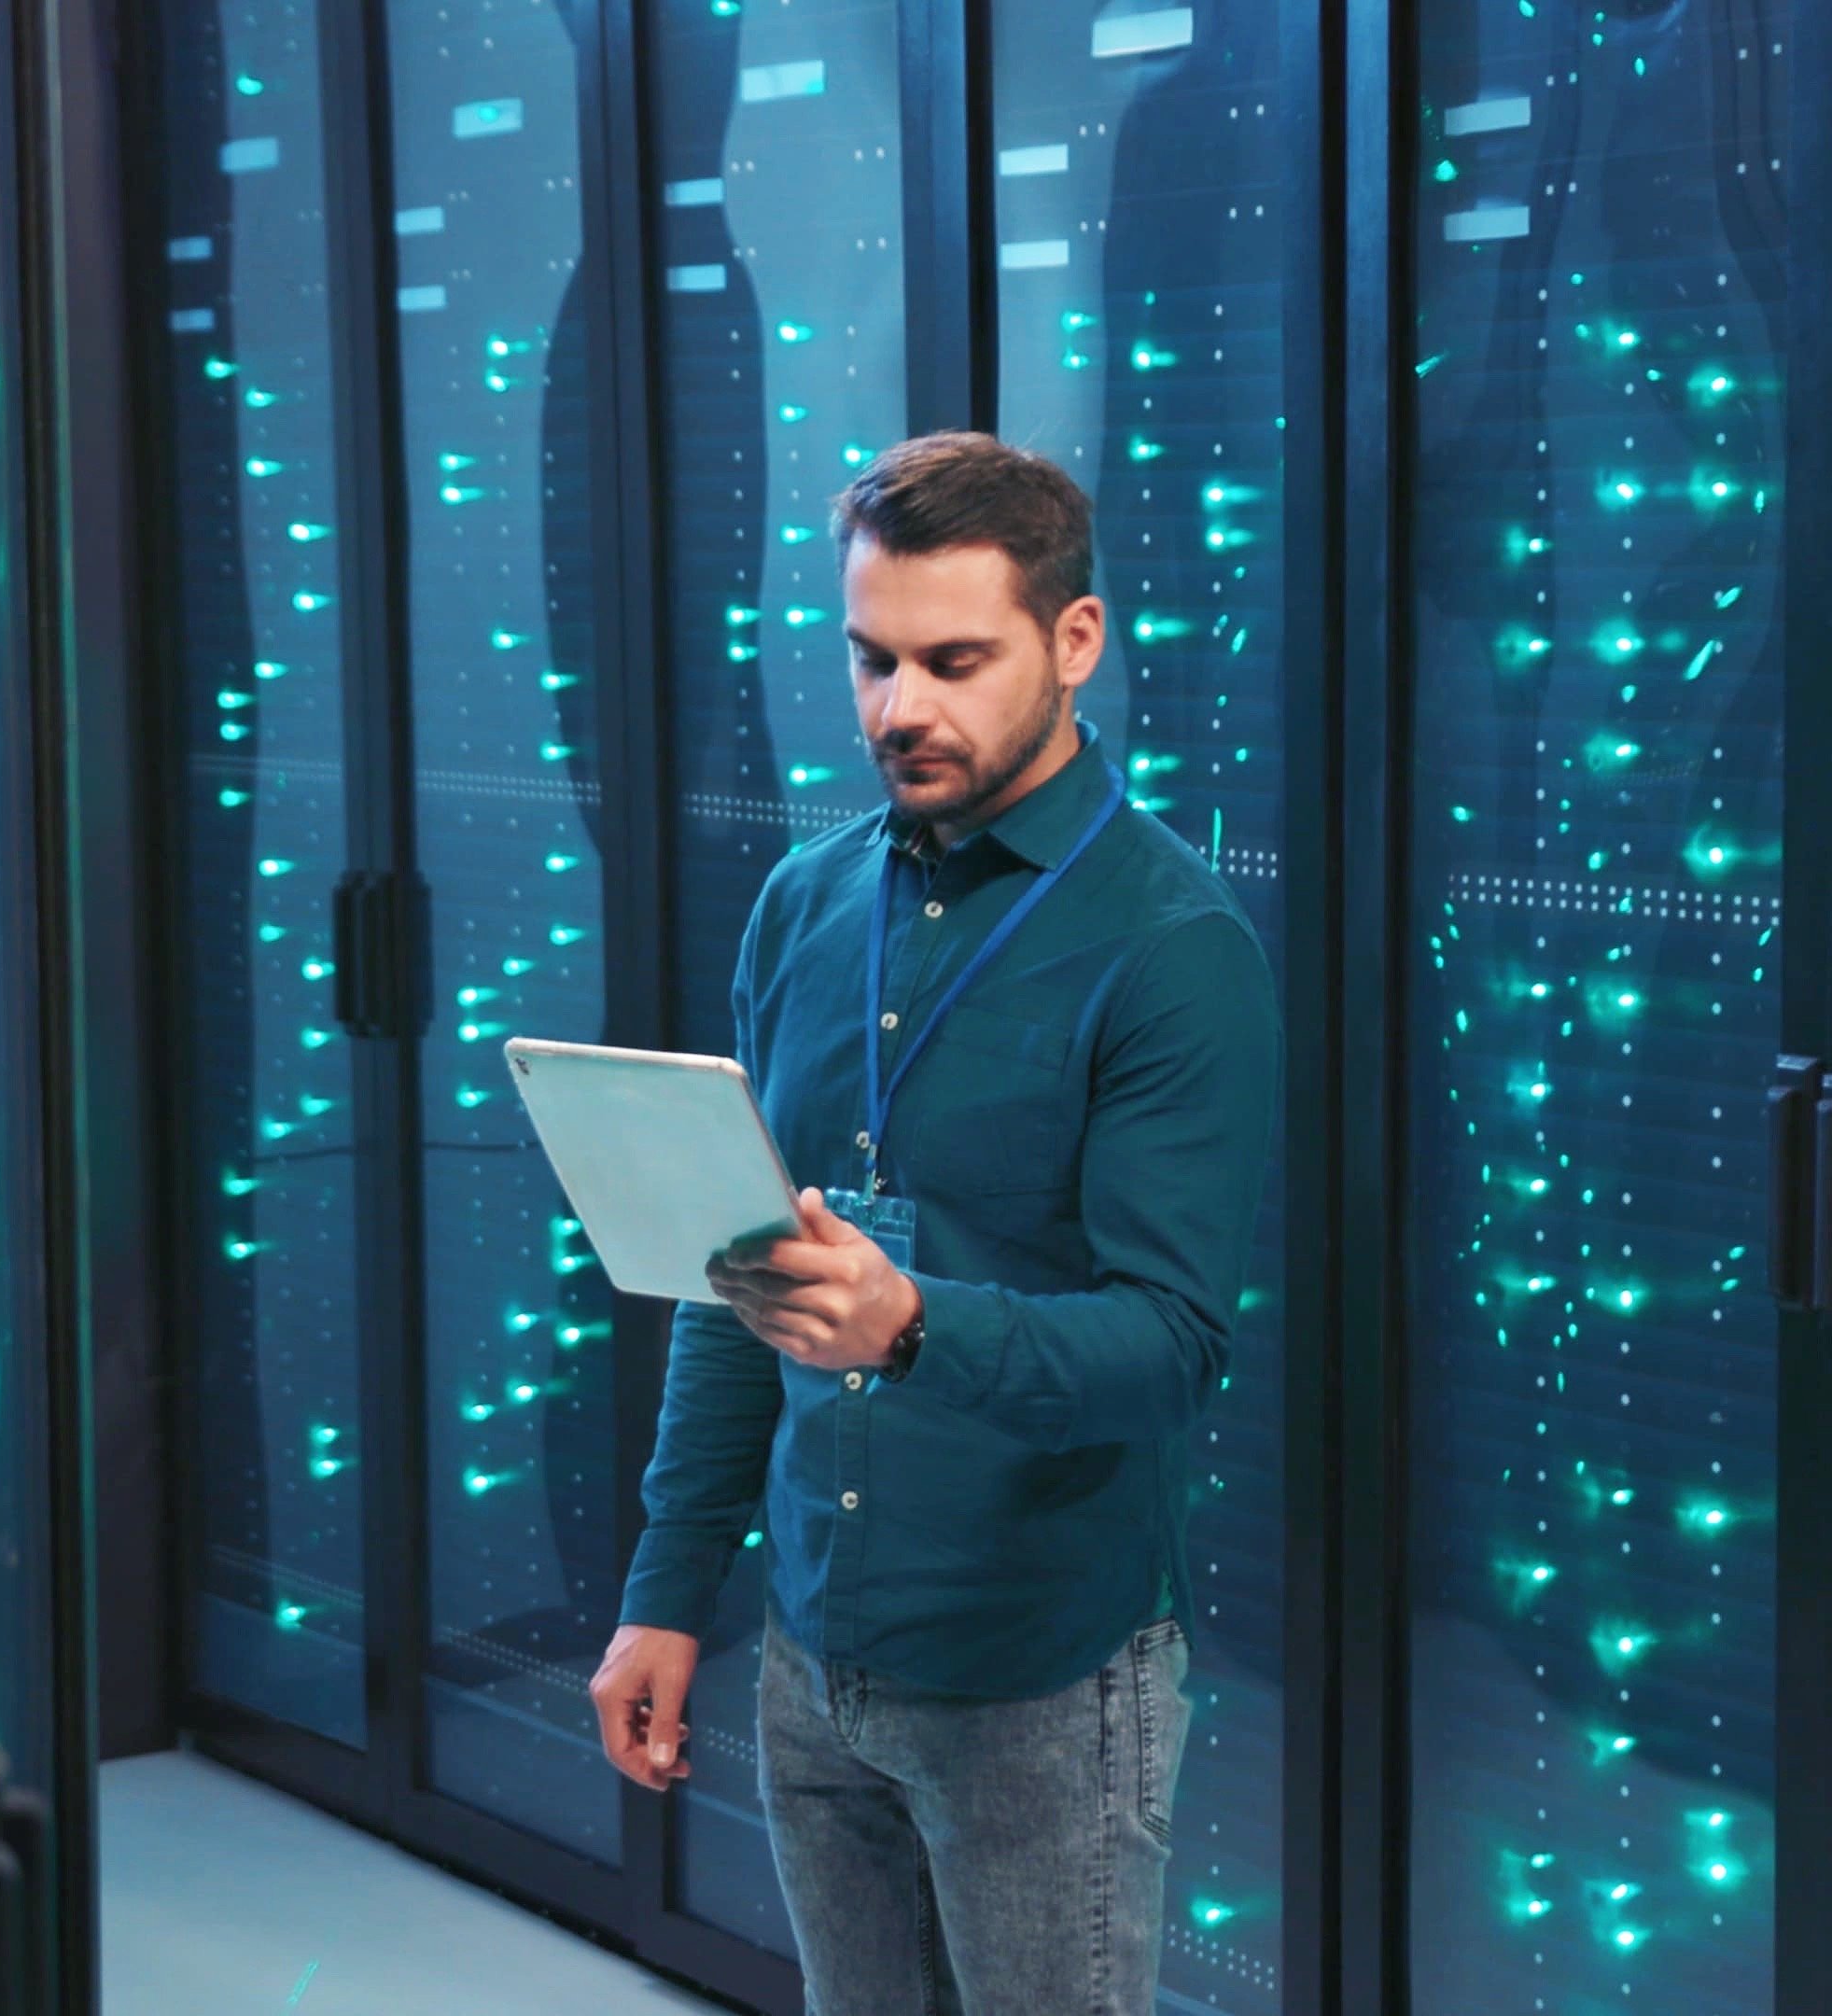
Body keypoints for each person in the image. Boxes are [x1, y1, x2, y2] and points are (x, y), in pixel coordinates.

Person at [589, 433, 1282, 2012]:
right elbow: (733, 1284)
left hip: (1041, 1670)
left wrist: (909, 1326)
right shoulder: (805, 904)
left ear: (1075, 643)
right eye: (873, 660)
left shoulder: (1176, 950)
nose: (903, 710)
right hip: (814, 1650)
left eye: (955, 661)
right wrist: (665, 1589)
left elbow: (1171, 1349)